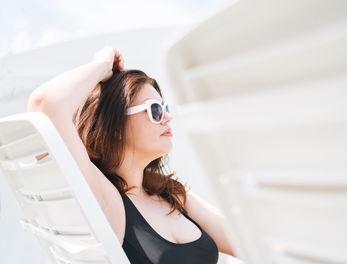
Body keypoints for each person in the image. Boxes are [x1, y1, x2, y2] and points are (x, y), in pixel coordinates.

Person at [27, 46, 236, 263]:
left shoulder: (171, 193)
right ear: (116, 127)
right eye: (155, 110)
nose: (167, 117)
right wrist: (101, 65)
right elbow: (45, 105)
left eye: (165, 107)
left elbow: (244, 239)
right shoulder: (106, 198)